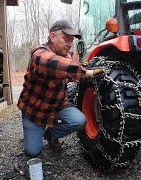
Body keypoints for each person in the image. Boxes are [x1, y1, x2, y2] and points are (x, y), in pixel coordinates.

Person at [17, 20, 104, 157]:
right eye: (66, 39)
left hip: (57, 106)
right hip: (35, 111)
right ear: (52, 37)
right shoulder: (39, 54)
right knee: (33, 151)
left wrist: (86, 66)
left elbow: (70, 73)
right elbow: (52, 63)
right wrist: (85, 72)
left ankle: (50, 134)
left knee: (79, 121)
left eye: (71, 41)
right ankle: (34, 132)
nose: (69, 44)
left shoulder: (66, 56)